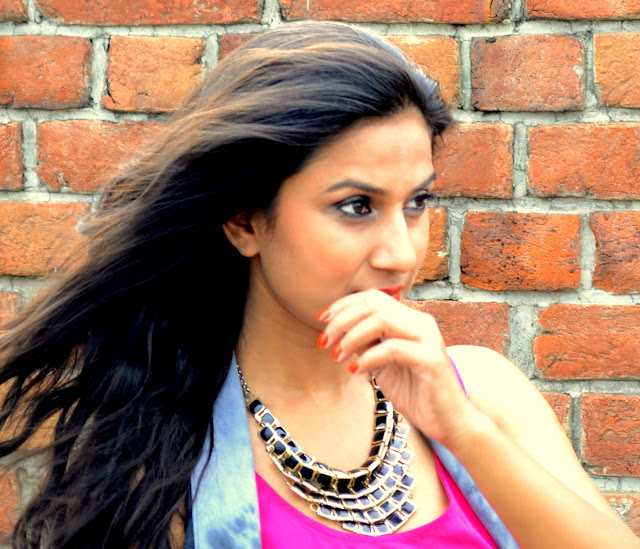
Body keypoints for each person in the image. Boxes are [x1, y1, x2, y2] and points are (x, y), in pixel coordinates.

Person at [0, 21, 638, 549]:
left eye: (416, 203)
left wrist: (462, 430)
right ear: (245, 221)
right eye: (356, 206)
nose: (401, 253)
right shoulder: (165, 457)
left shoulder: (483, 394)